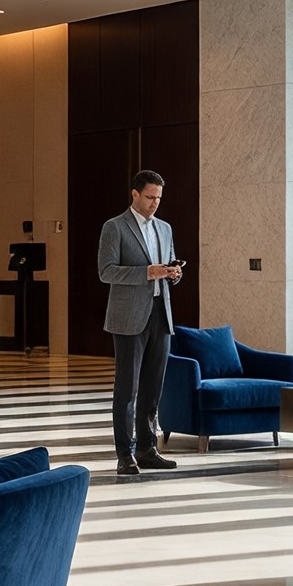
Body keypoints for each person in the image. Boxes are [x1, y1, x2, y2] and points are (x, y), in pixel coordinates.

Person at [95, 170, 184, 476]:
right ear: (134, 194)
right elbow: (105, 271)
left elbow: (168, 263)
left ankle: (147, 449)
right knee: (127, 389)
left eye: (158, 198)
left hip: (161, 313)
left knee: (152, 389)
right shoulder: (114, 227)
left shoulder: (165, 228)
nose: (154, 204)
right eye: (149, 197)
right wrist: (146, 272)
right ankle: (125, 454)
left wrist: (173, 273)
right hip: (128, 318)